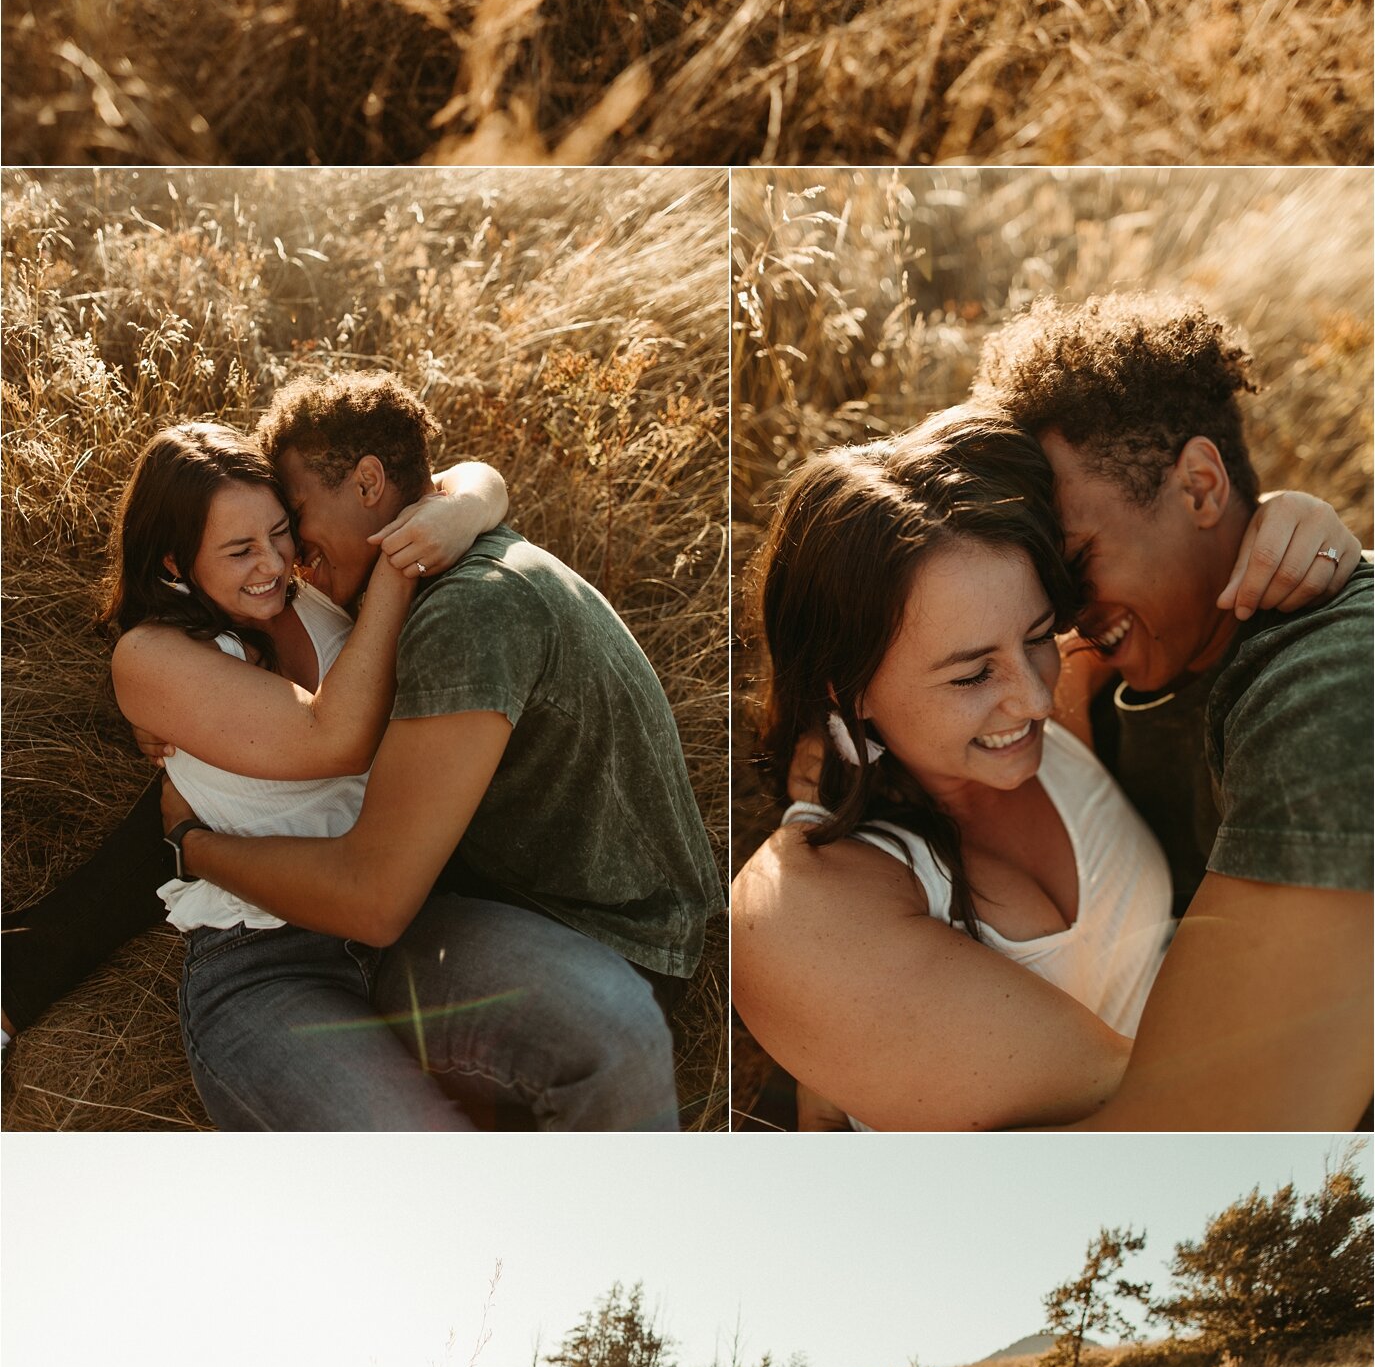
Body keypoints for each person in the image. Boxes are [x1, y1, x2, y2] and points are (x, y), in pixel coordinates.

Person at [731, 388, 1370, 1129]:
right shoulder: (799, 913)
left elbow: (1189, 581)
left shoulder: (1067, 691)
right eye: (971, 674)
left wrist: (1297, 523)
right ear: (851, 686)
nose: (1036, 697)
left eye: (1038, 633)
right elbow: (1182, 1108)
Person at [159, 370, 723, 1128]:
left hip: (605, 939)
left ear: (368, 484)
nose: (287, 557)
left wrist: (191, 842)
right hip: (550, 929)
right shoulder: (453, 563)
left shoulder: (465, 611)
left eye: (292, 520)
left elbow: (374, 897)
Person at [4, 418, 507, 1127]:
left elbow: (464, 474)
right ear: (176, 562)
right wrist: (400, 566)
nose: (273, 560)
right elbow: (337, 740)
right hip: (267, 951)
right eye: (239, 549)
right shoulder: (153, 655)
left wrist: (466, 507)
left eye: (279, 530)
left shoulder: (312, 587)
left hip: (400, 907)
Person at [978, 296, 1373, 1128]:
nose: (1059, 613)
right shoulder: (1118, 671)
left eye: (1076, 560)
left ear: (1199, 485)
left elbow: (1228, 1129)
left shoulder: (1332, 687)